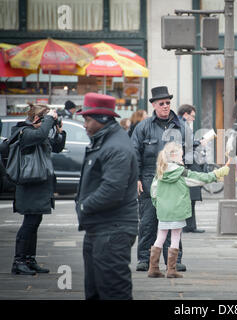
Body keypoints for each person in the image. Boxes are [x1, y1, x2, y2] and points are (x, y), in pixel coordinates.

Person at [75, 92, 138, 300]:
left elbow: (112, 190)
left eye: (87, 119)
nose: (84, 124)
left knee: (113, 293)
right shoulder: (104, 140)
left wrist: (83, 206)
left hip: (112, 231)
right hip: (99, 228)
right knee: (94, 292)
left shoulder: (116, 146)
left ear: (102, 119)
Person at [131, 86, 191, 273]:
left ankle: (174, 260)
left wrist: (184, 170)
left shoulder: (181, 125)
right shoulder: (143, 126)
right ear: (154, 105)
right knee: (148, 221)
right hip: (149, 177)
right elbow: (134, 153)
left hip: (173, 178)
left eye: (167, 103)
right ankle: (144, 259)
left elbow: (189, 150)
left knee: (173, 221)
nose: (165, 106)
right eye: (161, 103)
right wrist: (137, 178)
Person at [148, 142, 229, 278]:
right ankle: (171, 270)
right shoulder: (182, 173)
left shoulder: (160, 172)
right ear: (173, 156)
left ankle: (153, 268)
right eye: (181, 156)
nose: (182, 159)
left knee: (160, 237)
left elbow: (153, 193)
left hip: (163, 212)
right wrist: (218, 173)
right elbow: (201, 178)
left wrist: (159, 206)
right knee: (175, 237)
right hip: (178, 211)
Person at [11, 104, 66, 275]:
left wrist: (58, 130)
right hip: (29, 186)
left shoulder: (38, 134)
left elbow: (57, 147)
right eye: (44, 120)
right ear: (36, 119)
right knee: (29, 224)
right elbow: (41, 134)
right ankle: (18, 261)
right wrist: (49, 118)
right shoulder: (24, 132)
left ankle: (29, 259)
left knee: (35, 222)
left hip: (40, 184)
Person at [177, 104, 205, 233]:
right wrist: (198, 142)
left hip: (186, 162)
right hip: (187, 164)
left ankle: (190, 225)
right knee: (190, 194)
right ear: (186, 114)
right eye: (192, 116)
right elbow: (186, 144)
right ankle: (189, 226)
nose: (193, 119)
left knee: (190, 195)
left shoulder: (181, 124)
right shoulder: (182, 125)